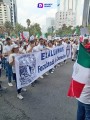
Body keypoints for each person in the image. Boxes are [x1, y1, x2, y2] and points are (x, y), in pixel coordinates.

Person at [76, 38, 90, 120]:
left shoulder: (78, 63)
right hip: (88, 98)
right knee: (88, 116)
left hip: (80, 94)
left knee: (80, 114)